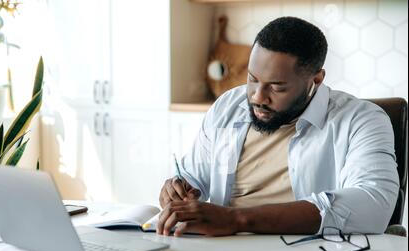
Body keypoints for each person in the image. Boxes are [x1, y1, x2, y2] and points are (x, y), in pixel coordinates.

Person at [157, 17, 399, 237]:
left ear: (316, 79)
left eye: (277, 87)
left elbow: (373, 204)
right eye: (252, 79)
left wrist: (237, 219)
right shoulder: (227, 107)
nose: (257, 97)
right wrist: (178, 190)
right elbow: (193, 177)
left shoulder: (362, 120)